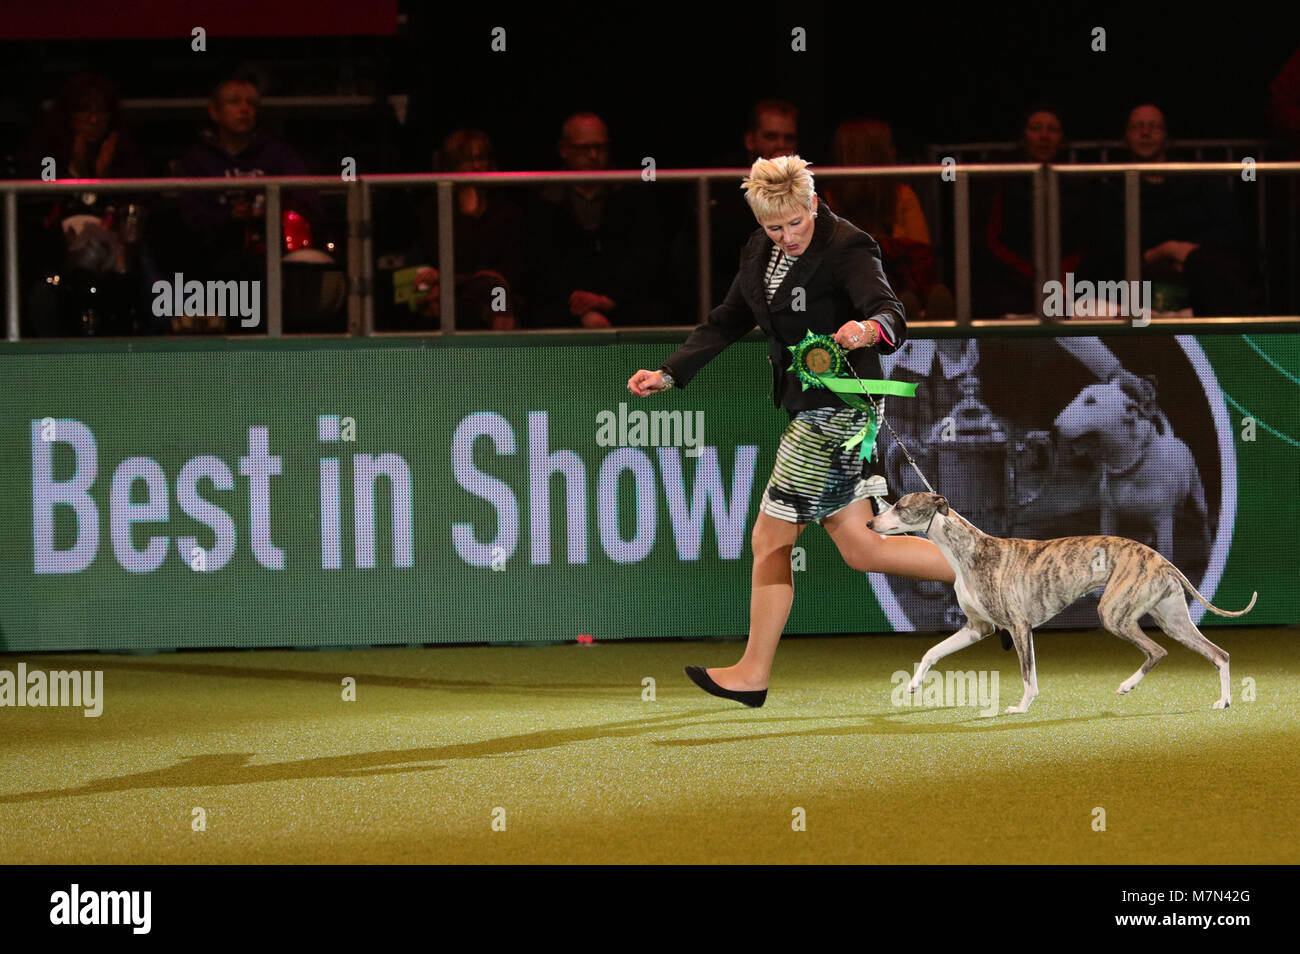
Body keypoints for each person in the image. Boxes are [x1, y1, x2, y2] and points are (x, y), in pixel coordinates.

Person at [627, 156, 956, 707]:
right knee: (862, 548)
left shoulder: (848, 245)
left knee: (768, 539)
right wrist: (669, 371)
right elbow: (729, 317)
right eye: (774, 227)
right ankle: (989, 589)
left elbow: (891, 312)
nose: (787, 236)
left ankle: (752, 673)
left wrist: (867, 329)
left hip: (836, 416)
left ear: (812, 203)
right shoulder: (760, 250)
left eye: (795, 223)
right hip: (808, 410)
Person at [520, 112, 668, 327]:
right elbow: (540, 266)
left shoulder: (633, 194)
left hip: (625, 304)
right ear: (564, 150)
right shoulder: (544, 200)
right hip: (563, 308)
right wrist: (581, 308)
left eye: (600, 147)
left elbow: (648, 256)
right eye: (584, 148)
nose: (593, 155)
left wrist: (610, 299)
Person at [1119, 103, 1257, 316]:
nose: (1145, 133)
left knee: (1214, 267)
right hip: (1139, 278)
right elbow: (1111, 244)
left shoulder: (1199, 177)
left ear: (1167, 136)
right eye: (1138, 127)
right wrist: (1162, 252)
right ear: (1126, 136)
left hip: (1200, 276)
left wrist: (1181, 251)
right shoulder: (1113, 186)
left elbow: (1231, 231)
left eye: (1153, 126)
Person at [823, 119, 953, 320]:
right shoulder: (826, 200)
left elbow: (923, 260)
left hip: (902, 291)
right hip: (854, 298)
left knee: (931, 297)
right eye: (889, 147)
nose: (894, 153)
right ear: (873, 154)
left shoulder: (903, 195)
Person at [409, 129, 522, 330]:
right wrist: (468, 216)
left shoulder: (506, 209)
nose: (477, 166)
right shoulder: (434, 209)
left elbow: (508, 268)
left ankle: (502, 349)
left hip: (497, 292)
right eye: (466, 160)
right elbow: (447, 258)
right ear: (451, 165)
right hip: (451, 290)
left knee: (497, 293)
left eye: (481, 159)